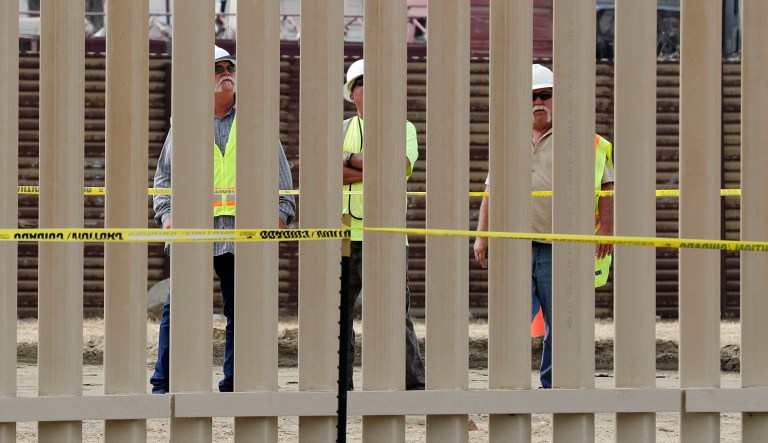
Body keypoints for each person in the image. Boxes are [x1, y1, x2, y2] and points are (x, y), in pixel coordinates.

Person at [150, 46, 296, 394]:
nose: (226, 72)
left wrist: (280, 215)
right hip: (196, 231)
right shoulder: (186, 122)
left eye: (230, 66)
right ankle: (164, 383)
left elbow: (282, 177)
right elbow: (163, 178)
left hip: (241, 233)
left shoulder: (256, 121)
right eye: (217, 68)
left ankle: (234, 383)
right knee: (180, 310)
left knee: (242, 312)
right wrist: (167, 217)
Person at [473, 64, 614, 389]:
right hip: (516, 245)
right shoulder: (510, 138)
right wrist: (482, 234)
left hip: (560, 246)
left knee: (562, 322)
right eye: (532, 96)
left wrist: (606, 228)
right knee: (511, 318)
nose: (539, 101)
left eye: (545, 95)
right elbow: (491, 188)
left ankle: (553, 385)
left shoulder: (584, 140)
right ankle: (510, 385)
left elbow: (608, 186)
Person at [341, 59, 426, 390]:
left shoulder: (403, 128)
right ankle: (341, 387)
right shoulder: (341, 128)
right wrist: (375, 163)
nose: (369, 89)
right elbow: (329, 171)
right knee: (339, 317)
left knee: (394, 316)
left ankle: (413, 386)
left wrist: (347, 160)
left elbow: (397, 167)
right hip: (344, 236)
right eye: (362, 82)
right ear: (352, 93)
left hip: (387, 237)